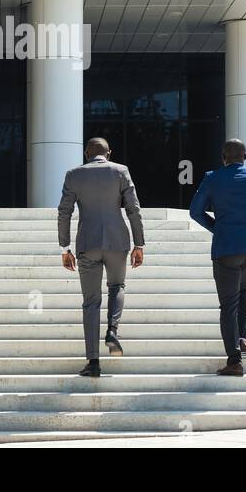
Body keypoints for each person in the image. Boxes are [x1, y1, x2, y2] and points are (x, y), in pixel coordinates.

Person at [188, 138, 246, 377]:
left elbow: (195, 212)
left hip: (226, 247)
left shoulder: (212, 178)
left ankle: (234, 361)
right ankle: (243, 339)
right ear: (245, 157)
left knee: (229, 304)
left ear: (224, 157)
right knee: (245, 290)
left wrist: (217, 227)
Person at [57, 137, 145, 377]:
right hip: (117, 242)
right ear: (109, 152)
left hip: (88, 243)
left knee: (91, 302)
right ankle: (113, 331)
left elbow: (64, 212)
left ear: (86, 154)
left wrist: (65, 248)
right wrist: (139, 243)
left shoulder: (74, 175)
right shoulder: (121, 171)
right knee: (117, 286)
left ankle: (93, 362)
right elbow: (133, 209)